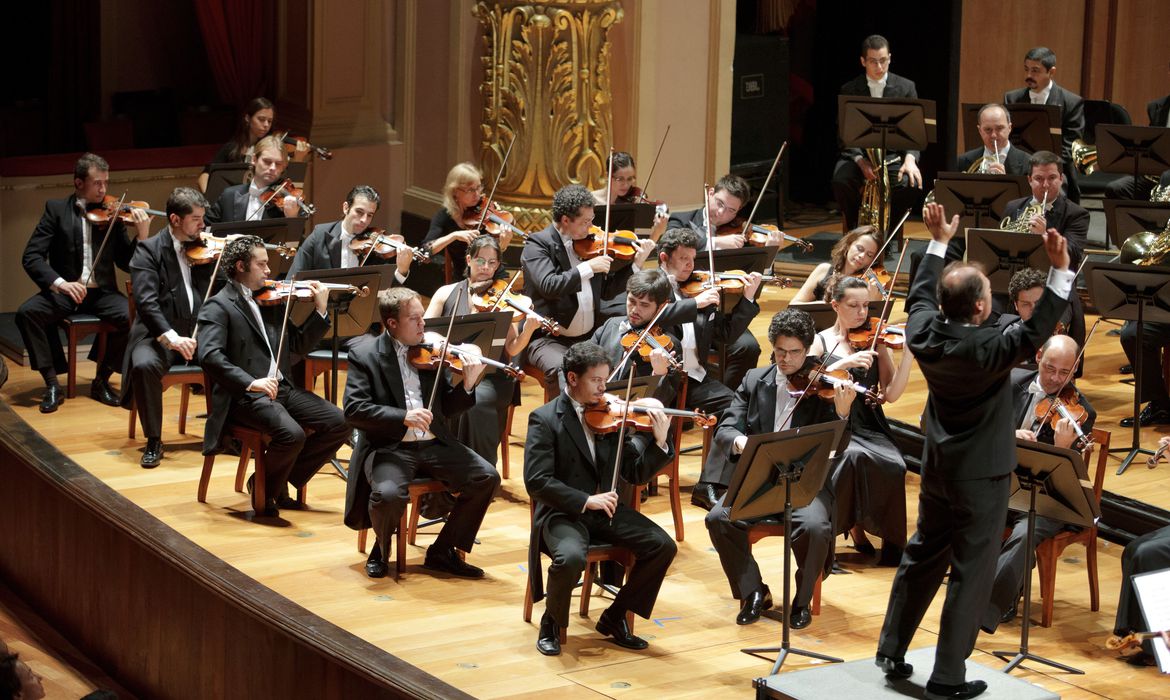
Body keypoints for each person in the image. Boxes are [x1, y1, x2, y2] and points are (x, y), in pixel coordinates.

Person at [874, 201, 1073, 699]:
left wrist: (937, 242)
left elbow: (919, 297)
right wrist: (1061, 270)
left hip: (938, 466)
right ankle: (947, 677)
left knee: (923, 554)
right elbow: (1037, 328)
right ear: (982, 307)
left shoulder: (923, 333)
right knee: (970, 571)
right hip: (982, 476)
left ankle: (892, 649)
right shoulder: (991, 348)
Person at [523, 340, 676, 655]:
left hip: (606, 510)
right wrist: (585, 500)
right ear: (573, 379)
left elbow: (634, 473)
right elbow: (537, 481)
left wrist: (659, 442)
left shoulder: (611, 415)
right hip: (562, 513)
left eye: (605, 379)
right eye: (596, 380)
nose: (603, 388)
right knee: (571, 558)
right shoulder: (545, 419)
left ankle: (614, 617)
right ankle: (551, 621)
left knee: (662, 546)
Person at [704, 308, 853, 629]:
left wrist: (842, 415)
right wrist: (741, 441)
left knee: (814, 528)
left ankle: (801, 601)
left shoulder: (823, 386)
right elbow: (727, 427)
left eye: (795, 352)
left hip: (804, 485)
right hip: (761, 479)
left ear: (808, 350)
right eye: (780, 351)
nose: (786, 359)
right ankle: (754, 591)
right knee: (718, 518)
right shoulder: (755, 380)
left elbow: (836, 449)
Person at [343, 287, 499, 579]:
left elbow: (447, 410)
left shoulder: (429, 352)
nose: (423, 325)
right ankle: (382, 545)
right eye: (414, 319)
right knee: (388, 495)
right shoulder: (365, 354)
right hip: (390, 446)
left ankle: (443, 550)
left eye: (422, 317)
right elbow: (354, 409)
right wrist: (403, 417)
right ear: (392, 324)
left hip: (433, 444)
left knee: (486, 477)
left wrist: (467, 385)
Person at [196, 236, 350, 517]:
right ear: (241, 266)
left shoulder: (272, 301)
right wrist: (250, 382)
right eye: (262, 264)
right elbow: (209, 356)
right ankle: (270, 487)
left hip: (282, 389)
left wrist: (320, 310)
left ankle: (267, 481)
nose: (269, 271)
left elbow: (299, 346)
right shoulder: (218, 306)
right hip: (245, 396)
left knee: (339, 422)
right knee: (291, 435)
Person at [16, 153, 151, 413]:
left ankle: (102, 379)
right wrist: (60, 284)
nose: (103, 189)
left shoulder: (112, 214)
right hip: (66, 292)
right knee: (27, 313)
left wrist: (142, 235)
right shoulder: (55, 210)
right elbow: (31, 256)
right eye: (96, 183)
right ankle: (52, 383)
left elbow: (127, 262)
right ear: (78, 183)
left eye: (106, 183)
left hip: (101, 293)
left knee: (134, 316)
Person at [981, 335, 1095, 633]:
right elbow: (981, 425)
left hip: (1047, 499)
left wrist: (1063, 448)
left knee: (1025, 530)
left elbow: (1071, 477)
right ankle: (1000, 583)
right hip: (1003, 483)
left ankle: (990, 606)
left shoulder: (1082, 410)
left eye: (1065, 372)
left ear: (1076, 368)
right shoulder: (1011, 380)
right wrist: (1010, 434)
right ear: (1039, 356)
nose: (1056, 378)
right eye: (1049, 368)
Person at [655, 228, 763, 508]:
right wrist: (693, 305)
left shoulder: (698, 288)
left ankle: (710, 483)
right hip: (662, 381)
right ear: (665, 258)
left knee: (736, 409)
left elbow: (725, 336)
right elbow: (647, 317)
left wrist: (747, 299)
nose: (691, 265)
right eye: (683, 259)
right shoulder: (652, 285)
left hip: (695, 380)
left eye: (693, 258)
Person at [812, 275, 914, 566]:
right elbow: (808, 382)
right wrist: (843, 364)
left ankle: (886, 541)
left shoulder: (876, 340)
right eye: (853, 305)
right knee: (850, 459)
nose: (861, 313)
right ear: (835, 305)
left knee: (896, 465)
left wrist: (908, 356)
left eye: (866, 306)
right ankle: (833, 538)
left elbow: (891, 394)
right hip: (834, 421)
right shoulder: (821, 341)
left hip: (869, 422)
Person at [521, 183, 654, 388]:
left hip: (588, 338)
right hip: (548, 339)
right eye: (585, 222)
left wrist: (636, 263)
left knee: (620, 362)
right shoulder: (538, 244)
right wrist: (588, 268)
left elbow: (608, 291)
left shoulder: (590, 245)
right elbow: (549, 285)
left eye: (591, 221)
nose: (590, 227)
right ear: (566, 220)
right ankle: (566, 420)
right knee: (564, 371)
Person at [424, 234, 541, 467]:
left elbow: (512, 347)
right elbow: (424, 332)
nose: (486, 268)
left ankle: (478, 470)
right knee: (442, 395)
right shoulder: (446, 293)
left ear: (498, 265)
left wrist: (528, 330)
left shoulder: (505, 299)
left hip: (491, 377)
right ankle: (443, 466)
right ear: (468, 260)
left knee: (473, 404)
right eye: (480, 261)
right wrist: (452, 349)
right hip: (448, 370)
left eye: (492, 263)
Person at [120, 187, 215, 468]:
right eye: (196, 219)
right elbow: (147, 304)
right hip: (157, 336)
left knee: (234, 357)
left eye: (203, 218)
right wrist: (172, 339)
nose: (202, 225)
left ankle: (226, 434)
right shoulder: (147, 251)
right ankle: (154, 440)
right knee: (144, 365)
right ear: (175, 219)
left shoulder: (206, 249)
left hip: (199, 335)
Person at [832, 35, 924, 232]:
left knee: (911, 184)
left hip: (892, 156)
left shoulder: (907, 87)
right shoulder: (849, 89)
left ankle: (888, 232)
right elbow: (843, 133)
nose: (879, 66)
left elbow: (914, 131)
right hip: (860, 156)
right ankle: (855, 230)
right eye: (873, 61)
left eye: (883, 60)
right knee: (841, 181)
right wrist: (859, 160)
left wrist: (910, 159)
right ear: (863, 61)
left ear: (889, 58)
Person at [287, 185, 412, 285]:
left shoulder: (375, 247)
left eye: (370, 215)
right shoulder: (319, 235)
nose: (364, 220)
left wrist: (402, 270)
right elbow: (294, 277)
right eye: (359, 212)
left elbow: (387, 294)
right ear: (346, 208)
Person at [1004, 47, 1084, 203]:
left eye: (1035, 71)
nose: (1029, 75)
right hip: (1020, 166)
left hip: (1054, 169)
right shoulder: (1011, 98)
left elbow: (1071, 146)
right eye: (1026, 69)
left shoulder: (1071, 102)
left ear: (1051, 72)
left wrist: (1043, 166)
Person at [423, 163, 515, 282]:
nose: (477, 194)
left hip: (492, 277)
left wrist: (502, 245)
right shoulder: (444, 216)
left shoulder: (487, 210)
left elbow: (495, 256)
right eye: (471, 190)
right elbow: (426, 250)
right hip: (463, 280)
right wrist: (454, 236)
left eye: (478, 187)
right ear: (455, 191)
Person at [196, 97, 308, 193]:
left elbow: (291, 188)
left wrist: (298, 159)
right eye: (261, 119)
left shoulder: (271, 149)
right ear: (248, 118)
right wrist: (211, 199)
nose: (266, 125)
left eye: (269, 121)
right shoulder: (231, 148)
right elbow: (204, 176)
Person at [205, 135, 303, 224]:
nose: (273, 168)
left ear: (284, 167)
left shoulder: (288, 202)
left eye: (278, 163)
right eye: (267, 161)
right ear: (254, 160)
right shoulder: (229, 196)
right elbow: (205, 228)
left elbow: (296, 241)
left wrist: (291, 217)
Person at [791, 225, 885, 304]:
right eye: (860, 248)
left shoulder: (869, 286)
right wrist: (820, 305)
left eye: (869, 255)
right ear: (849, 245)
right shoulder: (823, 270)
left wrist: (872, 299)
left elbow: (874, 322)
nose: (862, 256)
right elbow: (794, 304)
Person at [591, 151, 668, 241]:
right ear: (608, 176)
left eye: (630, 179)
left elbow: (642, 248)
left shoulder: (636, 202)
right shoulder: (591, 200)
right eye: (620, 179)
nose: (626, 184)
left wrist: (657, 232)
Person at [956, 104, 1032, 175]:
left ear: (1009, 128)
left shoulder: (1028, 163)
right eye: (988, 129)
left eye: (999, 128)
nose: (993, 135)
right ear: (980, 130)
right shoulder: (963, 161)